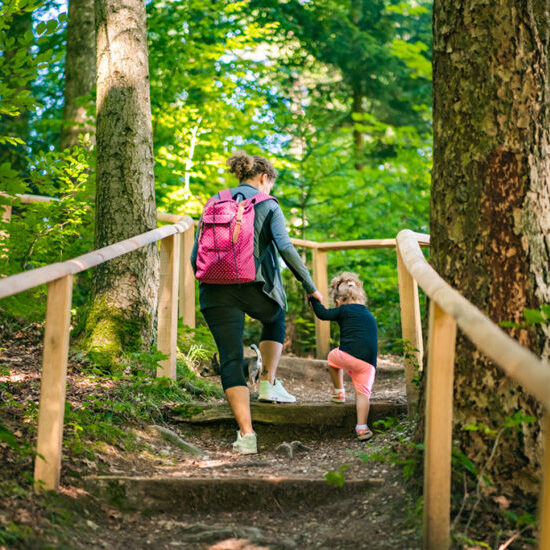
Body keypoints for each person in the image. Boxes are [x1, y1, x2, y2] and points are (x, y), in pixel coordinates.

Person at [190, 151, 322, 454]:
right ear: (264, 178)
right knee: (275, 316)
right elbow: (285, 248)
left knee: (231, 358)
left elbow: (195, 254)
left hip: (213, 289)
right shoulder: (267, 203)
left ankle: (247, 435)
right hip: (254, 287)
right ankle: (268, 382)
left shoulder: (214, 201)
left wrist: (209, 283)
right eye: (270, 184)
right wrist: (310, 286)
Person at [309, 272, 378, 441]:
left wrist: (312, 299)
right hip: (369, 363)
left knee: (332, 358)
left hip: (346, 355)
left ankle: (339, 392)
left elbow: (323, 314)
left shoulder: (343, 309)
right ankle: (362, 427)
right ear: (360, 298)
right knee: (363, 394)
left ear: (338, 301)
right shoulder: (369, 314)